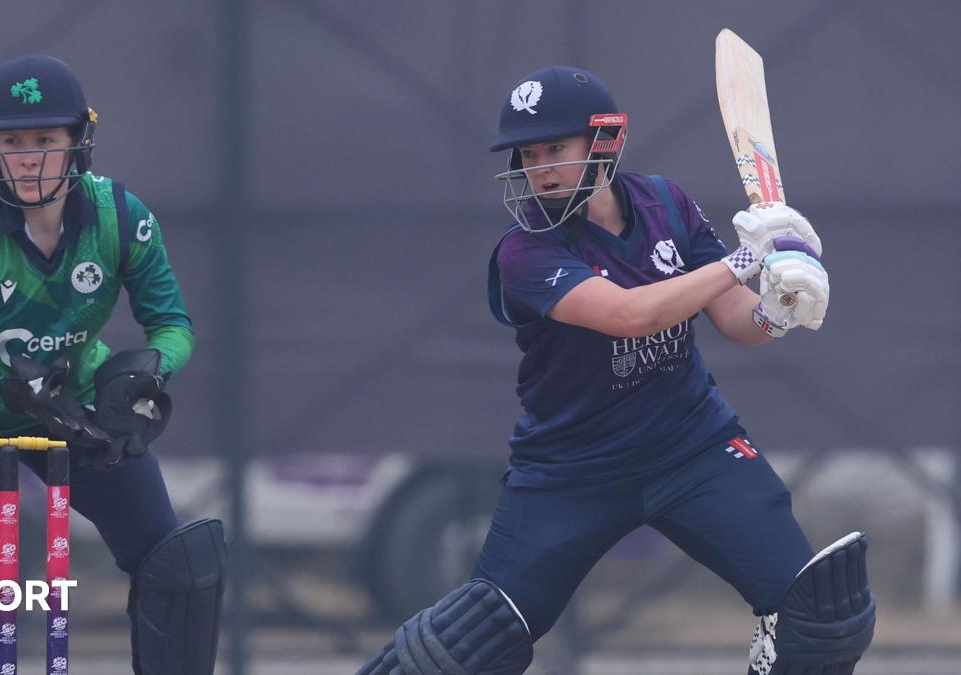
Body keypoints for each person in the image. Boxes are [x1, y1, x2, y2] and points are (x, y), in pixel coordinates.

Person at [358, 66, 874, 675]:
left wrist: (778, 308)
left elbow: (736, 321)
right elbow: (630, 315)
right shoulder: (525, 249)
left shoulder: (667, 203)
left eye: (556, 148)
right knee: (466, 643)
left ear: (604, 141)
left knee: (818, 618)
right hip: (572, 470)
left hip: (693, 448)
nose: (541, 168)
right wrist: (745, 259)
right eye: (529, 155)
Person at [0, 54, 226, 675]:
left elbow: (173, 326)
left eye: (45, 140)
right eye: (12, 142)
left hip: (66, 403)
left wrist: (149, 375)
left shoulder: (122, 218)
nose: (28, 159)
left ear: (80, 141)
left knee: (178, 563)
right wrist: (15, 396)